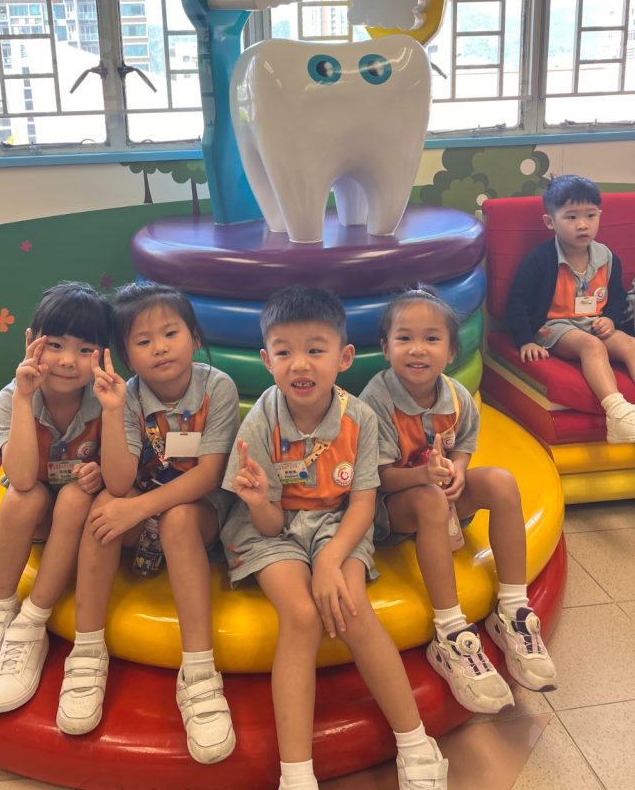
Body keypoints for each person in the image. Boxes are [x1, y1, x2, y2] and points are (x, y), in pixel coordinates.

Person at [221, 286, 448, 790]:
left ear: (343, 358)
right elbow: (268, 526)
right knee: (301, 615)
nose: (300, 364)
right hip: (271, 530)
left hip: (338, 524)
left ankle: (415, 741)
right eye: (284, 352)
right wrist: (257, 501)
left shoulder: (359, 418)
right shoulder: (260, 421)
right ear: (267, 361)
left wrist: (329, 562)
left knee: (351, 608)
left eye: (315, 349)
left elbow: (363, 504)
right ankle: (296, 774)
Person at [57, 282, 239, 765]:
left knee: (176, 520)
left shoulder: (216, 387)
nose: (159, 347)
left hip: (197, 511)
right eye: (143, 341)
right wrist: (114, 411)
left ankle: (199, 672)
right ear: (126, 355)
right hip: (140, 501)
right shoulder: (127, 396)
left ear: (194, 337)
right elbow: (119, 483)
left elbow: (209, 475)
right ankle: (87, 652)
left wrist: (140, 509)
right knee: (103, 508)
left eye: (170, 333)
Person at [360, 286, 557, 716]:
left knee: (501, 482)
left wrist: (461, 470)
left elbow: (464, 444)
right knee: (431, 500)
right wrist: (423, 477)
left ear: (450, 352)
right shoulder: (375, 401)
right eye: (404, 338)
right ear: (386, 348)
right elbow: (376, 479)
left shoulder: (455, 396)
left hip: (440, 496)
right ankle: (450, 632)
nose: (418, 349)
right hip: (391, 509)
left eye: (431, 339)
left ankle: (513, 610)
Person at [0, 280, 112, 713]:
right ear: (32, 341)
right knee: (25, 496)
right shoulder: (11, 398)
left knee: (76, 496)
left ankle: (32, 622)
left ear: (102, 354)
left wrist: (100, 470)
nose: (67, 361)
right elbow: (22, 478)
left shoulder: (105, 399)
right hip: (37, 510)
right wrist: (25, 398)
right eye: (55, 344)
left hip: (78, 516)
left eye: (84, 349)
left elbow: (118, 474)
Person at [506, 174, 635, 443]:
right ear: (550, 222)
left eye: (590, 215)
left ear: (599, 216)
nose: (582, 224)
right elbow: (517, 301)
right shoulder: (540, 260)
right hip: (553, 326)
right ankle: (618, 412)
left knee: (629, 343)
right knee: (591, 346)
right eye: (571, 217)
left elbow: (617, 298)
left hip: (594, 322)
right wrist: (525, 340)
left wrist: (611, 320)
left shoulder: (607, 257)